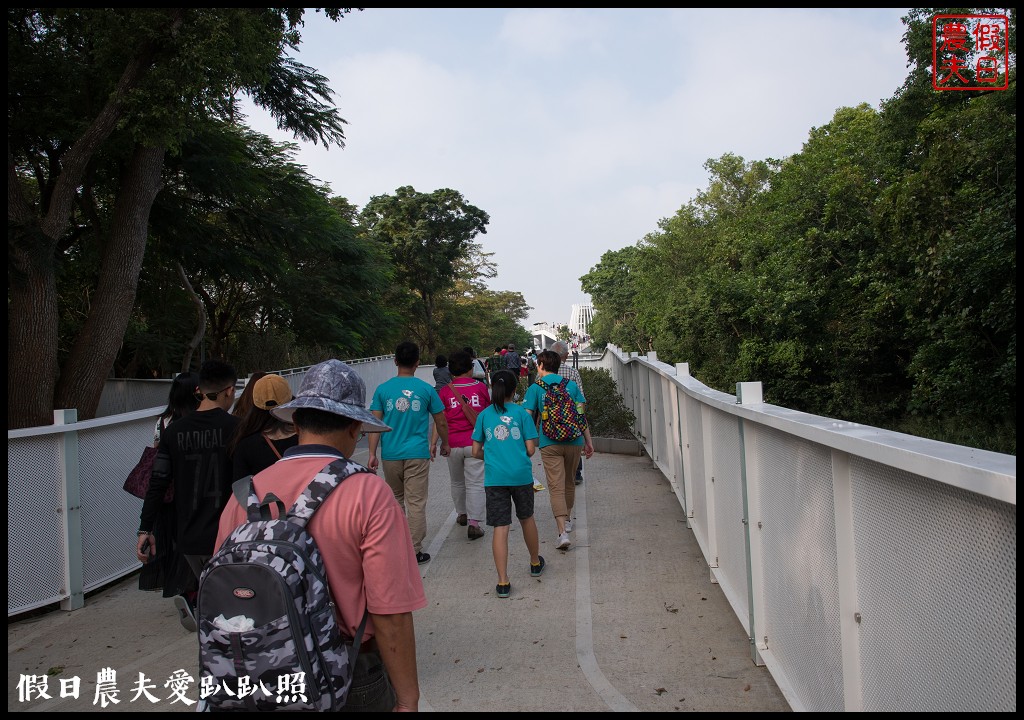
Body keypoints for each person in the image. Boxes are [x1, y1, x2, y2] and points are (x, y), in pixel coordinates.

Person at [215, 359, 426, 712]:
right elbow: (390, 611)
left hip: (259, 674)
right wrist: (407, 697)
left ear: (296, 421)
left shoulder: (244, 495)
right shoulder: (367, 493)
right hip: (346, 673)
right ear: (356, 427)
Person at [136, 359, 240, 632]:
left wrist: (145, 528)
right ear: (229, 390)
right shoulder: (237, 429)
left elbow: (157, 483)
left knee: (208, 588)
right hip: (229, 534)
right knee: (236, 604)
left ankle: (197, 601)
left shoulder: (174, 432)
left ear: (200, 390)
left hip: (188, 537)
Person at [368, 341, 451, 564]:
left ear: (395, 361)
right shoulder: (425, 389)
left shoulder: (383, 390)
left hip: (390, 455)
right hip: (417, 453)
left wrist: (372, 453)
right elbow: (440, 421)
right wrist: (444, 443)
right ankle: (414, 550)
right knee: (416, 502)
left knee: (395, 500)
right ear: (417, 363)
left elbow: (374, 423)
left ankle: (395, 546)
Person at [471, 369, 543, 598]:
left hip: (495, 479)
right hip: (521, 476)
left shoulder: (483, 415)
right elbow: (531, 449)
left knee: (500, 528)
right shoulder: (522, 414)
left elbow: (475, 451)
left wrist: (493, 457)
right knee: (526, 518)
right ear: (514, 390)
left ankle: (503, 581)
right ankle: (534, 562)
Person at [523, 350, 594, 552]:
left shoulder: (535, 388)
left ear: (541, 366)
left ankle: (562, 532)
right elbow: (580, 415)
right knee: (569, 481)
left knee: (555, 486)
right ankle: (568, 518)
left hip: (549, 441)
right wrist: (588, 441)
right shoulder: (570, 386)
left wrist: (525, 442)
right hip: (574, 440)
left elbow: (527, 417)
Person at [138, 371, 199, 596]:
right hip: (191, 491)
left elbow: (157, 454)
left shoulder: (162, 423)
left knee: (172, 542)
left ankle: (179, 587)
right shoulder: (196, 422)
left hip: (167, 494)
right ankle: (193, 587)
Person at [432, 350, 490, 540]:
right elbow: (488, 415)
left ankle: (462, 514)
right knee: (475, 483)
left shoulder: (445, 391)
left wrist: (436, 443)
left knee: (457, 481)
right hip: (475, 444)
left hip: (453, 444)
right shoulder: (480, 388)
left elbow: (439, 420)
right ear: (470, 368)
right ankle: (474, 523)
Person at [228, 373, 298, 481]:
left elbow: (241, 491)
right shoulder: (306, 437)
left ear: (254, 405)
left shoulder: (245, 445)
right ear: (291, 399)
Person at [551, 340, 586, 485]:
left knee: (554, 447)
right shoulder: (573, 372)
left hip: (551, 420)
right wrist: (580, 419)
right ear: (566, 355)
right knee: (573, 445)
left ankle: (558, 475)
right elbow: (580, 401)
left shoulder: (543, 375)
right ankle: (576, 474)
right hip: (571, 418)